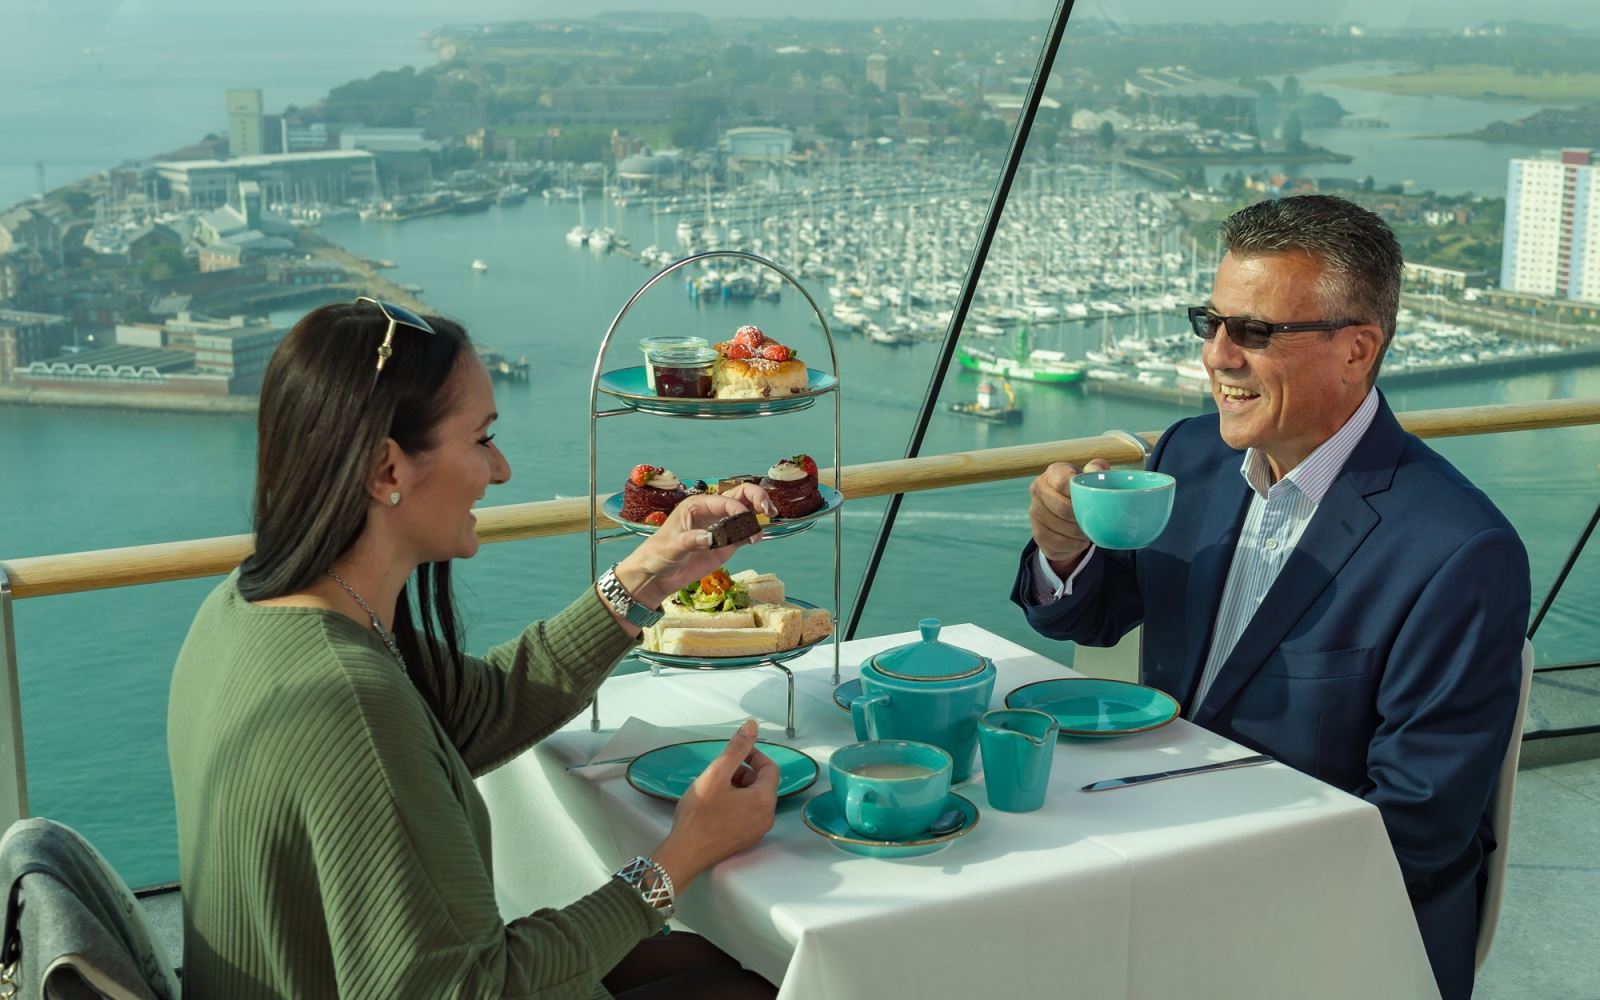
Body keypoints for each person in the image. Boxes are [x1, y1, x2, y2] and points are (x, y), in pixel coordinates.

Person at [169, 299, 782, 999]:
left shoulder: (246, 605)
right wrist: (680, 857)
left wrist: (645, 576)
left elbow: (475, 713)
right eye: (482, 438)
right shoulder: (349, 705)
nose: (502, 470)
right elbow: (469, 989)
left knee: (740, 966)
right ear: (386, 470)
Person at [1010, 195, 1528, 1000]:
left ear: (1358, 350)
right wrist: (1063, 550)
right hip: (1156, 852)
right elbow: (1093, 613)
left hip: (1329, 928)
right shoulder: (1188, 454)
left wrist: (1186, 885)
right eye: (1210, 323)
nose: (1217, 356)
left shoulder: (1461, 552)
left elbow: (1413, 828)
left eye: (1254, 331)